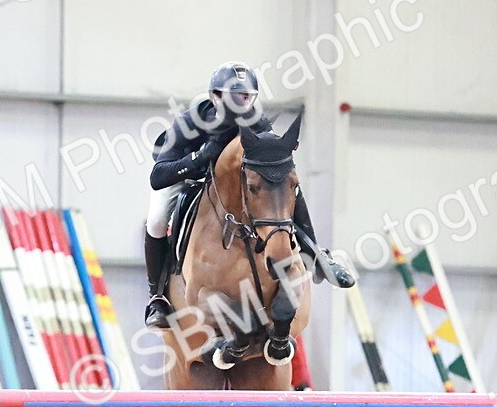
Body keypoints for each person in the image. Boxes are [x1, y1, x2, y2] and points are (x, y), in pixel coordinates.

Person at [143, 61, 355, 329]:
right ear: (216, 97)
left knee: (283, 184)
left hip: (227, 182)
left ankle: (316, 255)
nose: (242, 105)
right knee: (157, 220)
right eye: (236, 97)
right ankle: (157, 297)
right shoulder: (189, 123)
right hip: (182, 172)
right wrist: (198, 158)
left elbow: (273, 169)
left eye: (247, 97)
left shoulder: (257, 121)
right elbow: (158, 176)